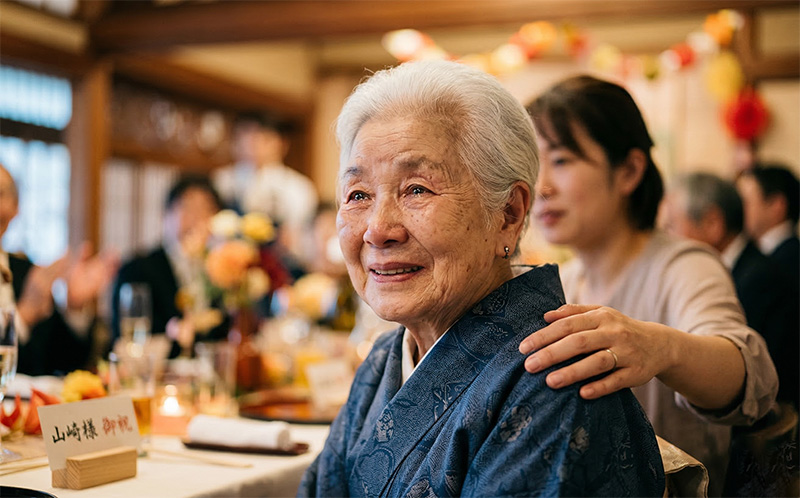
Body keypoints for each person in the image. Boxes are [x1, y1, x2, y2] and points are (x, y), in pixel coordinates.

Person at [298, 60, 664, 497]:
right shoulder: (382, 362)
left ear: (508, 214)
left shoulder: (555, 380)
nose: (378, 230)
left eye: (417, 189)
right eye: (358, 194)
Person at [520, 76, 778, 496]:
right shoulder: (563, 282)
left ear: (629, 171)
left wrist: (662, 347)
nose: (542, 185)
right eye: (533, 163)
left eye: (562, 160)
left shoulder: (684, 265)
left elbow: (752, 377)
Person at [663, 172, 798, 408]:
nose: (666, 238)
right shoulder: (740, 269)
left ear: (712, 224)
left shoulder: (758, 280)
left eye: (671, 226)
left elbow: (753, 383)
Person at [0, 164, 118, 375]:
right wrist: (23, 315)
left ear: (16, 208)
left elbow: (64, 362)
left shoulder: (27, 273)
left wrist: (74, 307)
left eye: (0, 194)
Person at [111, 175, 228, 358]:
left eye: (207, 210)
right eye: (188, 208)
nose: (197, 219)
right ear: (166, 215)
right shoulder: (137, 269)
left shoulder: (223, 269)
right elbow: (127, 338)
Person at [213, 111, 318, 270]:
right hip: (228, 265)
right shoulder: (222, 181)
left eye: (263, 137)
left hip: (281, 266)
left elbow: (304, 238)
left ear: (282, 144)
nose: (253, 143)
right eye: (246, 135)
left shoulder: (298, 187)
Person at [736, 164, 799, 307]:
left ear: (776, 205)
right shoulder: (755, 252)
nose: (737, 211)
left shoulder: (789, 262)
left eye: (745, 202)